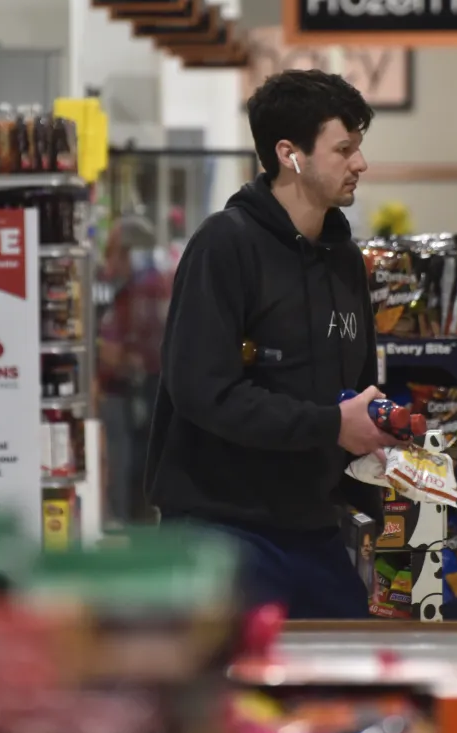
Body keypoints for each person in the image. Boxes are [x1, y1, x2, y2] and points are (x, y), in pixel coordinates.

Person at [144, 69, 396, 619]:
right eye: (345, 148)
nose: (360, 164)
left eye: (360, 148)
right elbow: (203, 391)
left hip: (313, 526)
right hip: (223, 529)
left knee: (347, 684)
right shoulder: (224, 246)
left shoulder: (344, 259)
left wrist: (376, 428)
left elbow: (350, 387)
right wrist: (332, 426)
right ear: (291, 154)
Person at [96, 215, 171, 524]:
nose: (107, 259)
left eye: (112, 250)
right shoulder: (154, 284)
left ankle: (130, 531)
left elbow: (114, 354)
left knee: (128, 469)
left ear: (129, 254)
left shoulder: (139, 291)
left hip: (133, 394)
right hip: (144, 391)